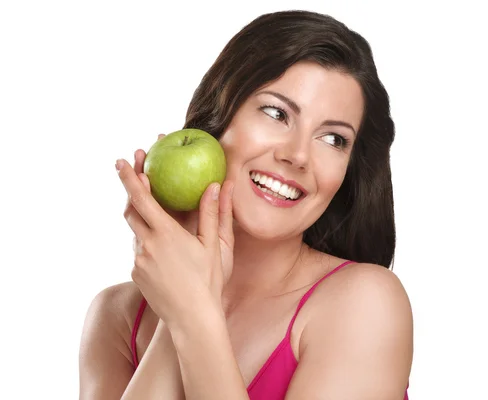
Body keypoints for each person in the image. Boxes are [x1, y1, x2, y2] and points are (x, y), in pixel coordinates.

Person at [79, 9, 413, 400]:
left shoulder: (365, 305)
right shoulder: (116, 316)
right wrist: (186, 298)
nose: (298, 156)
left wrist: (192, 311)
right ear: (217, 119)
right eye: (277, 113)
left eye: (333, 139)